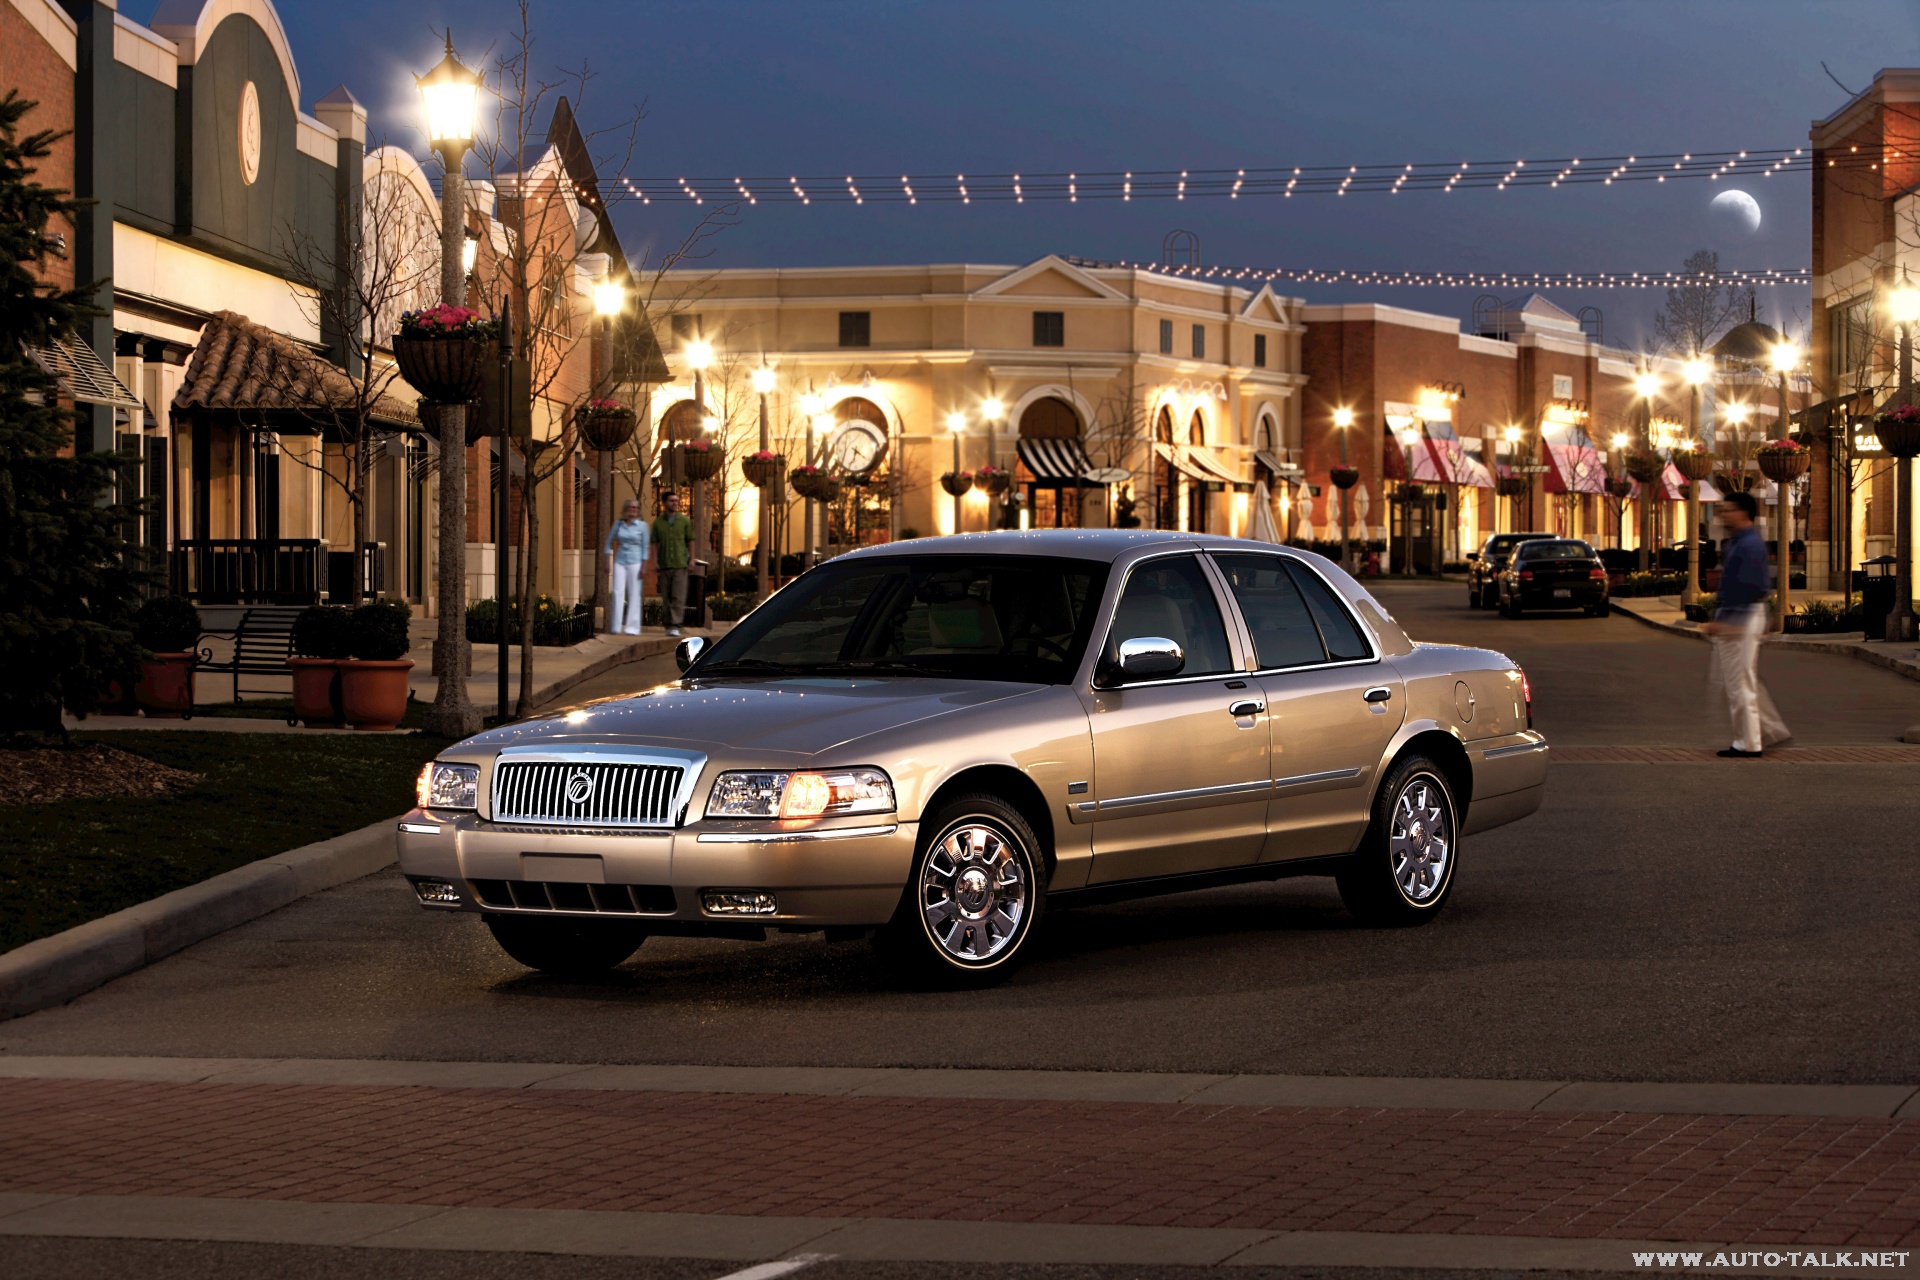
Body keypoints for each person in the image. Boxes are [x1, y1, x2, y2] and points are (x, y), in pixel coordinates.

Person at [1701, 490, 1789, 758]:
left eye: (1727, 509)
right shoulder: (1740, 542)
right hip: (1742, 616)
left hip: (1742, 617)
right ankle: (1768, 730)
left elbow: (1749, 586)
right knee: (1745, 680)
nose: (1723, 514)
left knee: (1739, 683)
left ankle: (1748, 743)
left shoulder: (1747, 545)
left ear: (1742, 512)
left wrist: (1729, 621)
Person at [602, 498, 650, 636]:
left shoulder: (642, 526)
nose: (633, 509)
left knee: (634, 594)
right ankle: (615, 627)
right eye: (630, 507)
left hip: (636, 562)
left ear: (638, 510)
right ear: (626, 509)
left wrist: (644, 566)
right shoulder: (618, 525)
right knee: (617, 592)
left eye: (635, 507)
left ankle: (632, 627)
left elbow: (645, 547)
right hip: (620, 561)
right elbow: (608, 544)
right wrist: (606, 561)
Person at [651, 490, 694, 637]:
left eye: (676, 501)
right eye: (671, 501)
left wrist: (692, 559)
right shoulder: (658, 523)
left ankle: (676, 624)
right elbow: (654, 543)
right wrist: (655, 561)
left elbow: (691, 540)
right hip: (664, 565)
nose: (675, 503)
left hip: (680, 564)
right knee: (666, 596)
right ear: (664, 503)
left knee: (678, 596)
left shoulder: (684, 521)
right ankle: (668, 624)